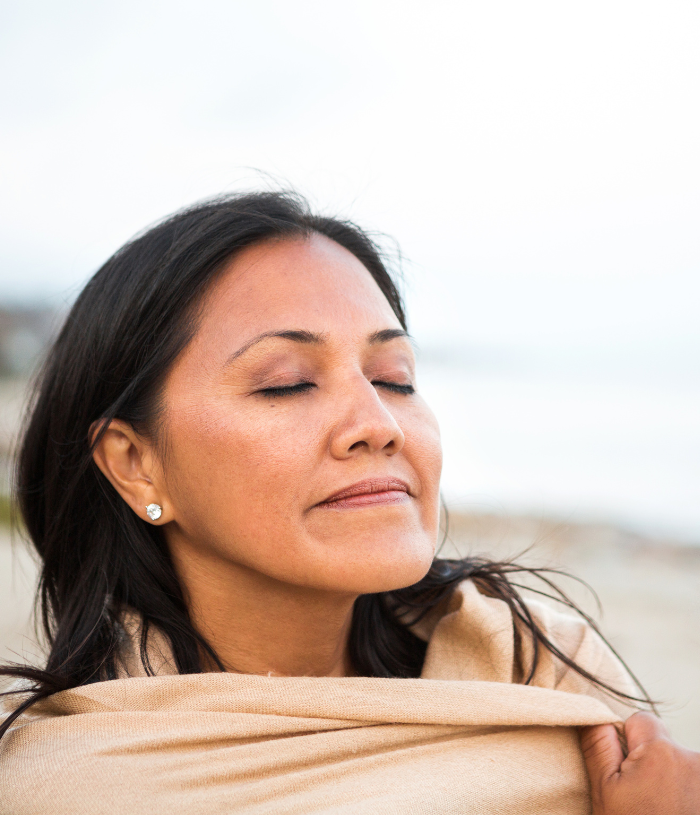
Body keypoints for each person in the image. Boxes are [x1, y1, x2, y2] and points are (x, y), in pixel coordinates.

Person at [1, 191, 698, 814]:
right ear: (136, 463)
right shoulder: (60, 784)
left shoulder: (541, 663)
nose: (380, 422)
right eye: (286, 383)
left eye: (394, 377)